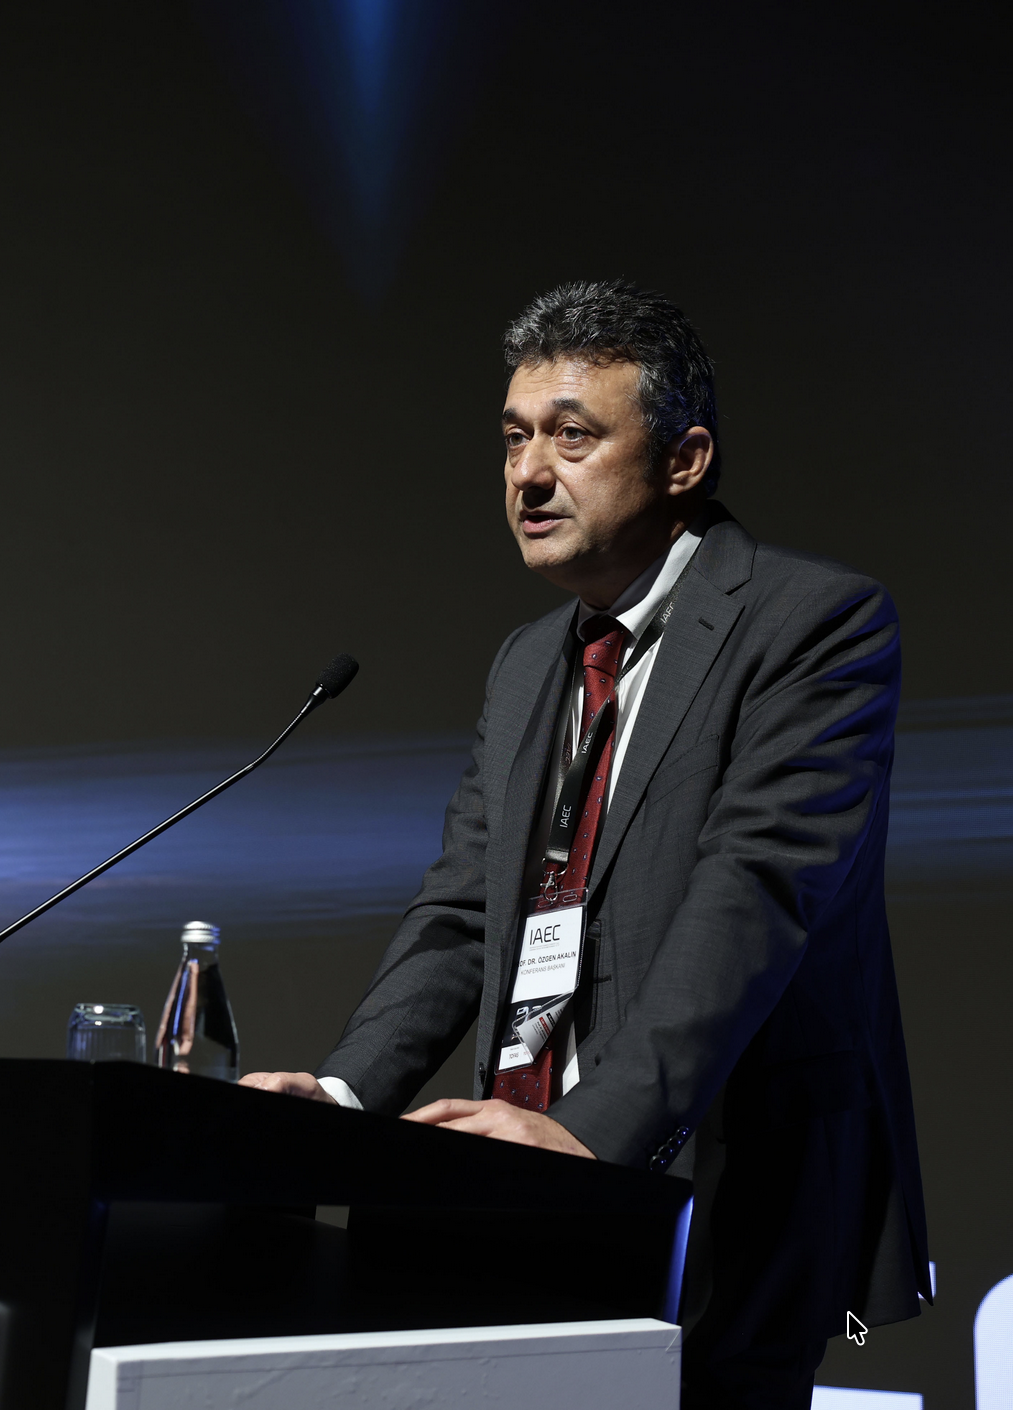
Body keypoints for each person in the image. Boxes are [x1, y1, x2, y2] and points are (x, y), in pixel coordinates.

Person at [242, 281, 928, 1408]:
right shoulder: (527, 663)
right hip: (516, 1196)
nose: (527, 473)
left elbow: (755, 894)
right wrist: (343, 1095)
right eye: (514, 437)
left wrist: (590, 1134)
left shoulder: (813, 622)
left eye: (571, 436)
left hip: (718, 1194)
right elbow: (465, 909)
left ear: (684, 460)